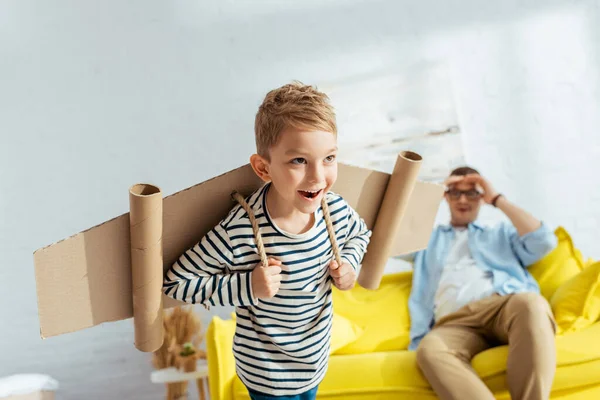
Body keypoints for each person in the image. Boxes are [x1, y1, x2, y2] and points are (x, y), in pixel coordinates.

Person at [162, 81, 372, 400]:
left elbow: (360, 234)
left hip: (314, 361)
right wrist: (248, 286)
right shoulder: (242, 231)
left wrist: (350, 264)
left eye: (328, 158)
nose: (318, 176)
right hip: (267, 374)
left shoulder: (335, 209)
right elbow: (176, 283)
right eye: (299, 161)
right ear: (263, 168)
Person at [408, 166, 558, 400]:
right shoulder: (428, 239)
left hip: (502, 307)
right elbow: (386, 237)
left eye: (472, 193)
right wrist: (433, 193)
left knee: (531, 304)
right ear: (446, 197)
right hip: (455, 323)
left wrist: (497, 199)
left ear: (481, 197)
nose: (463, 200)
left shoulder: (499, 234)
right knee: (430, 350)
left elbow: (544, 241)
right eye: (455, 193)